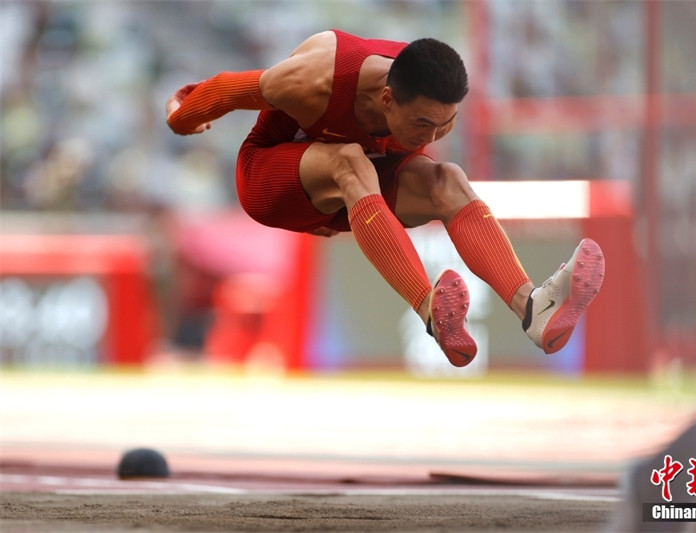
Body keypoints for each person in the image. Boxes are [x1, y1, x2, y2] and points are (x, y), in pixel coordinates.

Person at [165, 29, 605, 367]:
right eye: (422, 123)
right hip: (270, 183)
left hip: (358, 198)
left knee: (448, 179)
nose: (430, 136)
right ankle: (430, 309)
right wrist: (183, 117)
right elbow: (225, 89)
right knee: (349, 160)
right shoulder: (314, 79)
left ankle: (535, 308)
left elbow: (420, 148)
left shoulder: (426, 96)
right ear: (387, 98)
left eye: (445, 124)